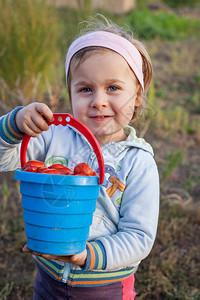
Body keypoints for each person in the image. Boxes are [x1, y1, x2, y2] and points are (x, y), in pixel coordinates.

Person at [0, 15, 159, 300]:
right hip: (48, 279)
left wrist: (87, 255)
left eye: (113, 88)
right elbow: (3, 159)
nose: (98, 100)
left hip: (105, 287)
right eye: (85, 89)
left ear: (137, 95)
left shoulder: (138, 161)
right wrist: (15, 125)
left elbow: (139, 236)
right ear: (71, 94)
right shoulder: (53, 137)